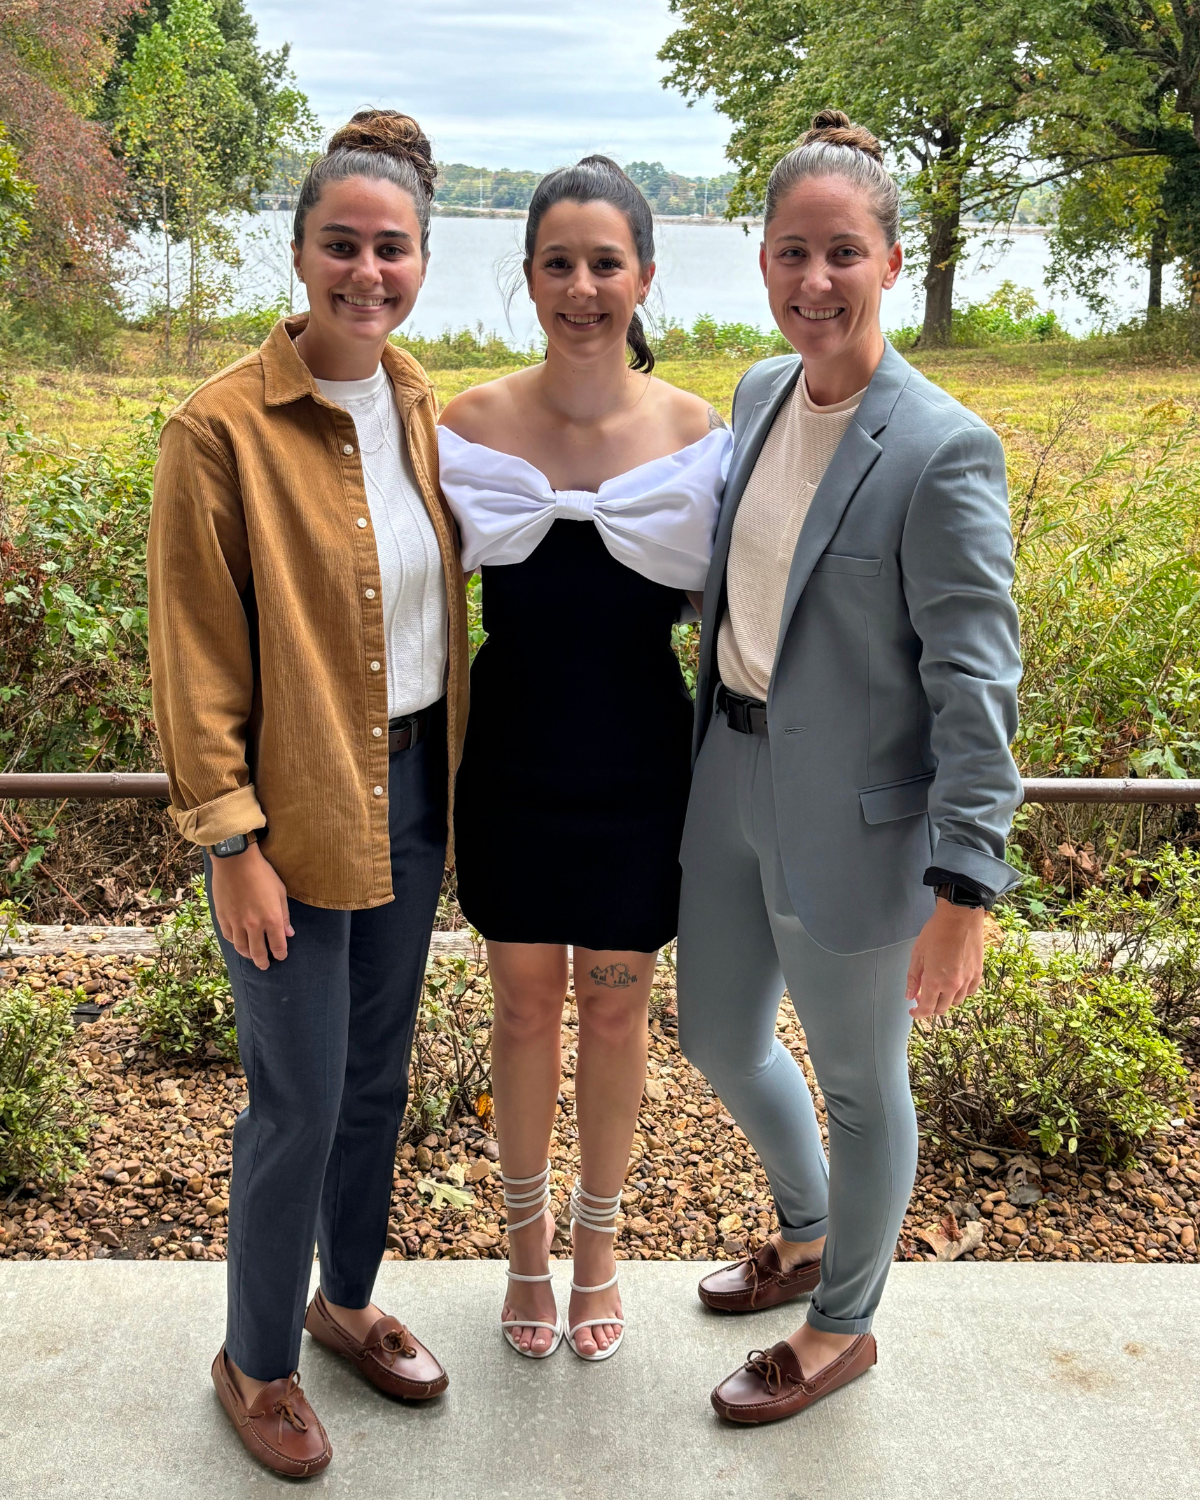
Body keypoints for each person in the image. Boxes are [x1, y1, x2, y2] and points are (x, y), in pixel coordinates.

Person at [676, 109, 1022, 1424]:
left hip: (863, 825)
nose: (814, 281)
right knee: (717, 1035)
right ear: (762, 259)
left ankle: (842, 1326)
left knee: (866, 1089)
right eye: (791, 253)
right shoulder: (760, 393)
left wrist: (964, 887)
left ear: (891, 260)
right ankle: (809, 1229)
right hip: (728, 778)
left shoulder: (942, 448)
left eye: (843, 253)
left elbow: (977, 678)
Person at [147, 109, 470, 1478]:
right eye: (341, 244)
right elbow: (194, 654)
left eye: (392, 248)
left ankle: (345, 1305)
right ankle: (257, 1359)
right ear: (298, 252)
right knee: (296, 1098)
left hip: (414, 788)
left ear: (422, 260)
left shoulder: (420, 404)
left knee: (376, 1080)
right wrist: (232, 842)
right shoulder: (218, 429)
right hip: (291, 809)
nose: (367, 271)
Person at [437, 156, 729, 1362]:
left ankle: (599, 1249)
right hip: (510, 763)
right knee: (519, 1010)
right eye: (558, 263)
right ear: (528, 276)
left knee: (615, 1013)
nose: (582, 287)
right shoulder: (466, 425)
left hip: (640, 773)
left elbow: (750, 609)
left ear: (644, 276)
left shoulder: (698, 435)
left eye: (605, 263)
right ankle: (524, 1249)